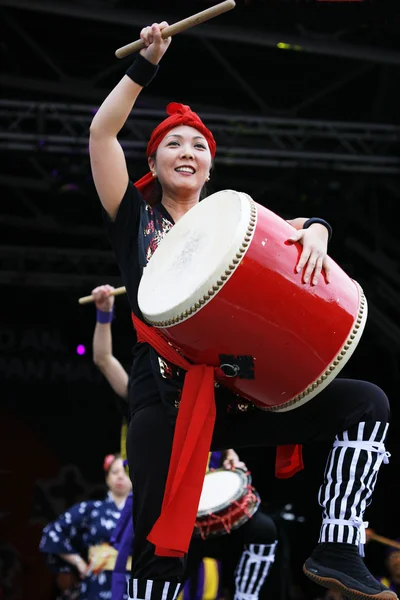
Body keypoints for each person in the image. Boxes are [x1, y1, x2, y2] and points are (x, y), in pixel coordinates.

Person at [88, 22, 395, 600]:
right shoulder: (136, 220)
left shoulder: (239, 228)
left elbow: (299, 234)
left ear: (209, 167)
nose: (189, 151)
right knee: (158, 546)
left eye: (199, 145)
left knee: (367, 402)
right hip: (165, 397)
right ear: (153, 161)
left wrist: (318, 231)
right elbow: (102, 134)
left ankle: (338, 550)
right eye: (174, 143)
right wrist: (146, 65)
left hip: (234, 392)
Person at [91, 284, 278, 600]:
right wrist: (104, 314)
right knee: (164, 575)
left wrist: (231, 455)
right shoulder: (143, 394)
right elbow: (103, 359)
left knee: (265, 532)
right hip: (162, 510)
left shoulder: (200, 384)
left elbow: (221, 429)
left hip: (201, 508)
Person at [39, 454, 132, 600]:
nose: (120, 477)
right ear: (107, 478)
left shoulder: (143, 514)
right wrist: (78, 562)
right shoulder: (91, 509)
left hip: (132, 585)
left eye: (125, 472)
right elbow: (52, 532)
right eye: (114, 472)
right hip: (96, 585)